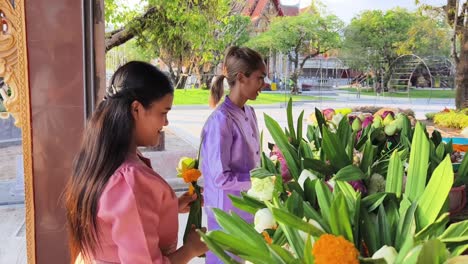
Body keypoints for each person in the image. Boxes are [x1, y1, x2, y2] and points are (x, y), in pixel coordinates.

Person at [65, 61, 207, 263]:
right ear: (136, 109)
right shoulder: (129, 180)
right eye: (163, 113)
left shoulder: (99, 158)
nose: (166, 123)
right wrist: (191, 249)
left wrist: (169, 206)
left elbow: (118, 218)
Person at [201, 46, 266, 264]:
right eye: (259, 78)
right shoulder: (221, 120)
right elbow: (221, 178)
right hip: (226, 216)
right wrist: (261, 183)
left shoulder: (249, 112)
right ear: (241, 78)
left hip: (248, 209)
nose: (263, 85)